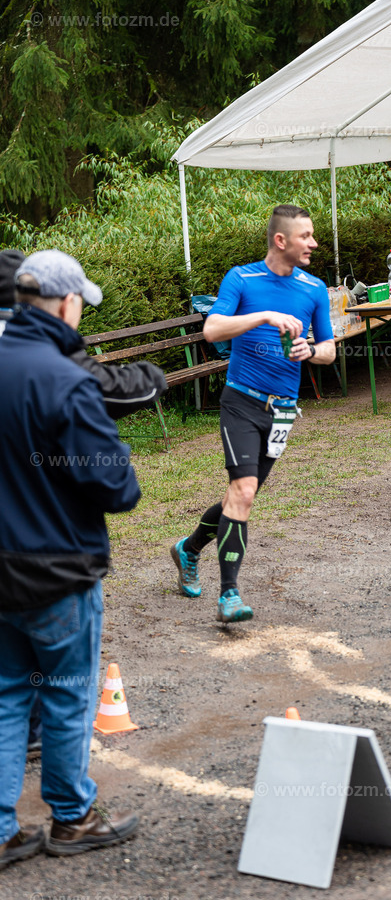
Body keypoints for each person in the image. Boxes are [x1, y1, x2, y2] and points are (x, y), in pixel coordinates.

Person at [0, 249, 141, 867]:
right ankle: (72, 816)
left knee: (7, 696)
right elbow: (116, 487)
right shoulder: (65, 379)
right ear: (65, 304)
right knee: (64, 692)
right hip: (58, 568)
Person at [170, 205, 335, 624]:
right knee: (242, 492)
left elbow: (330, 350)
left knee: (239, 497)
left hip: (281, 412)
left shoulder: (314, 288)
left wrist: (311, 351)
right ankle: (229, 595)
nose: (314, 244)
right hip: (241, 402)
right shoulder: (241, 278)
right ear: (281, 241)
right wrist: (262, 315)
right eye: (306, 237)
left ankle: (188, 549)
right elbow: (212, 330)